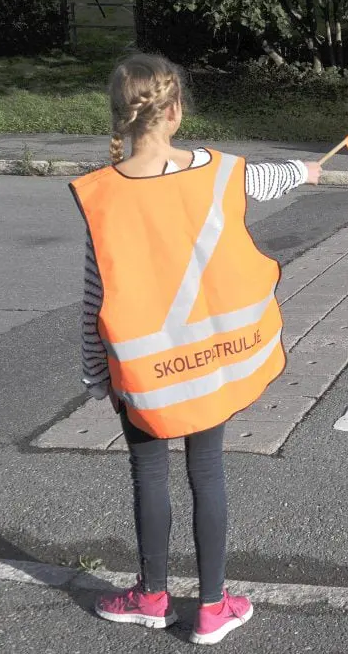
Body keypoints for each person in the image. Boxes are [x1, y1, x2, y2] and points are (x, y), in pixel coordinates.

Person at [72, 53, 321, 645]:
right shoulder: (219, 171)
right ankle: (213, 607)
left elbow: (93, 298)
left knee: (147, 473)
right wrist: (306, 172)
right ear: (176, 111)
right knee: (206, 472)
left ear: (119, 116)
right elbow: (267, 177)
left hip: (140, 370)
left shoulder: (102, 195)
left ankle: (151, 596)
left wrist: (95, 377)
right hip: (206, 363)